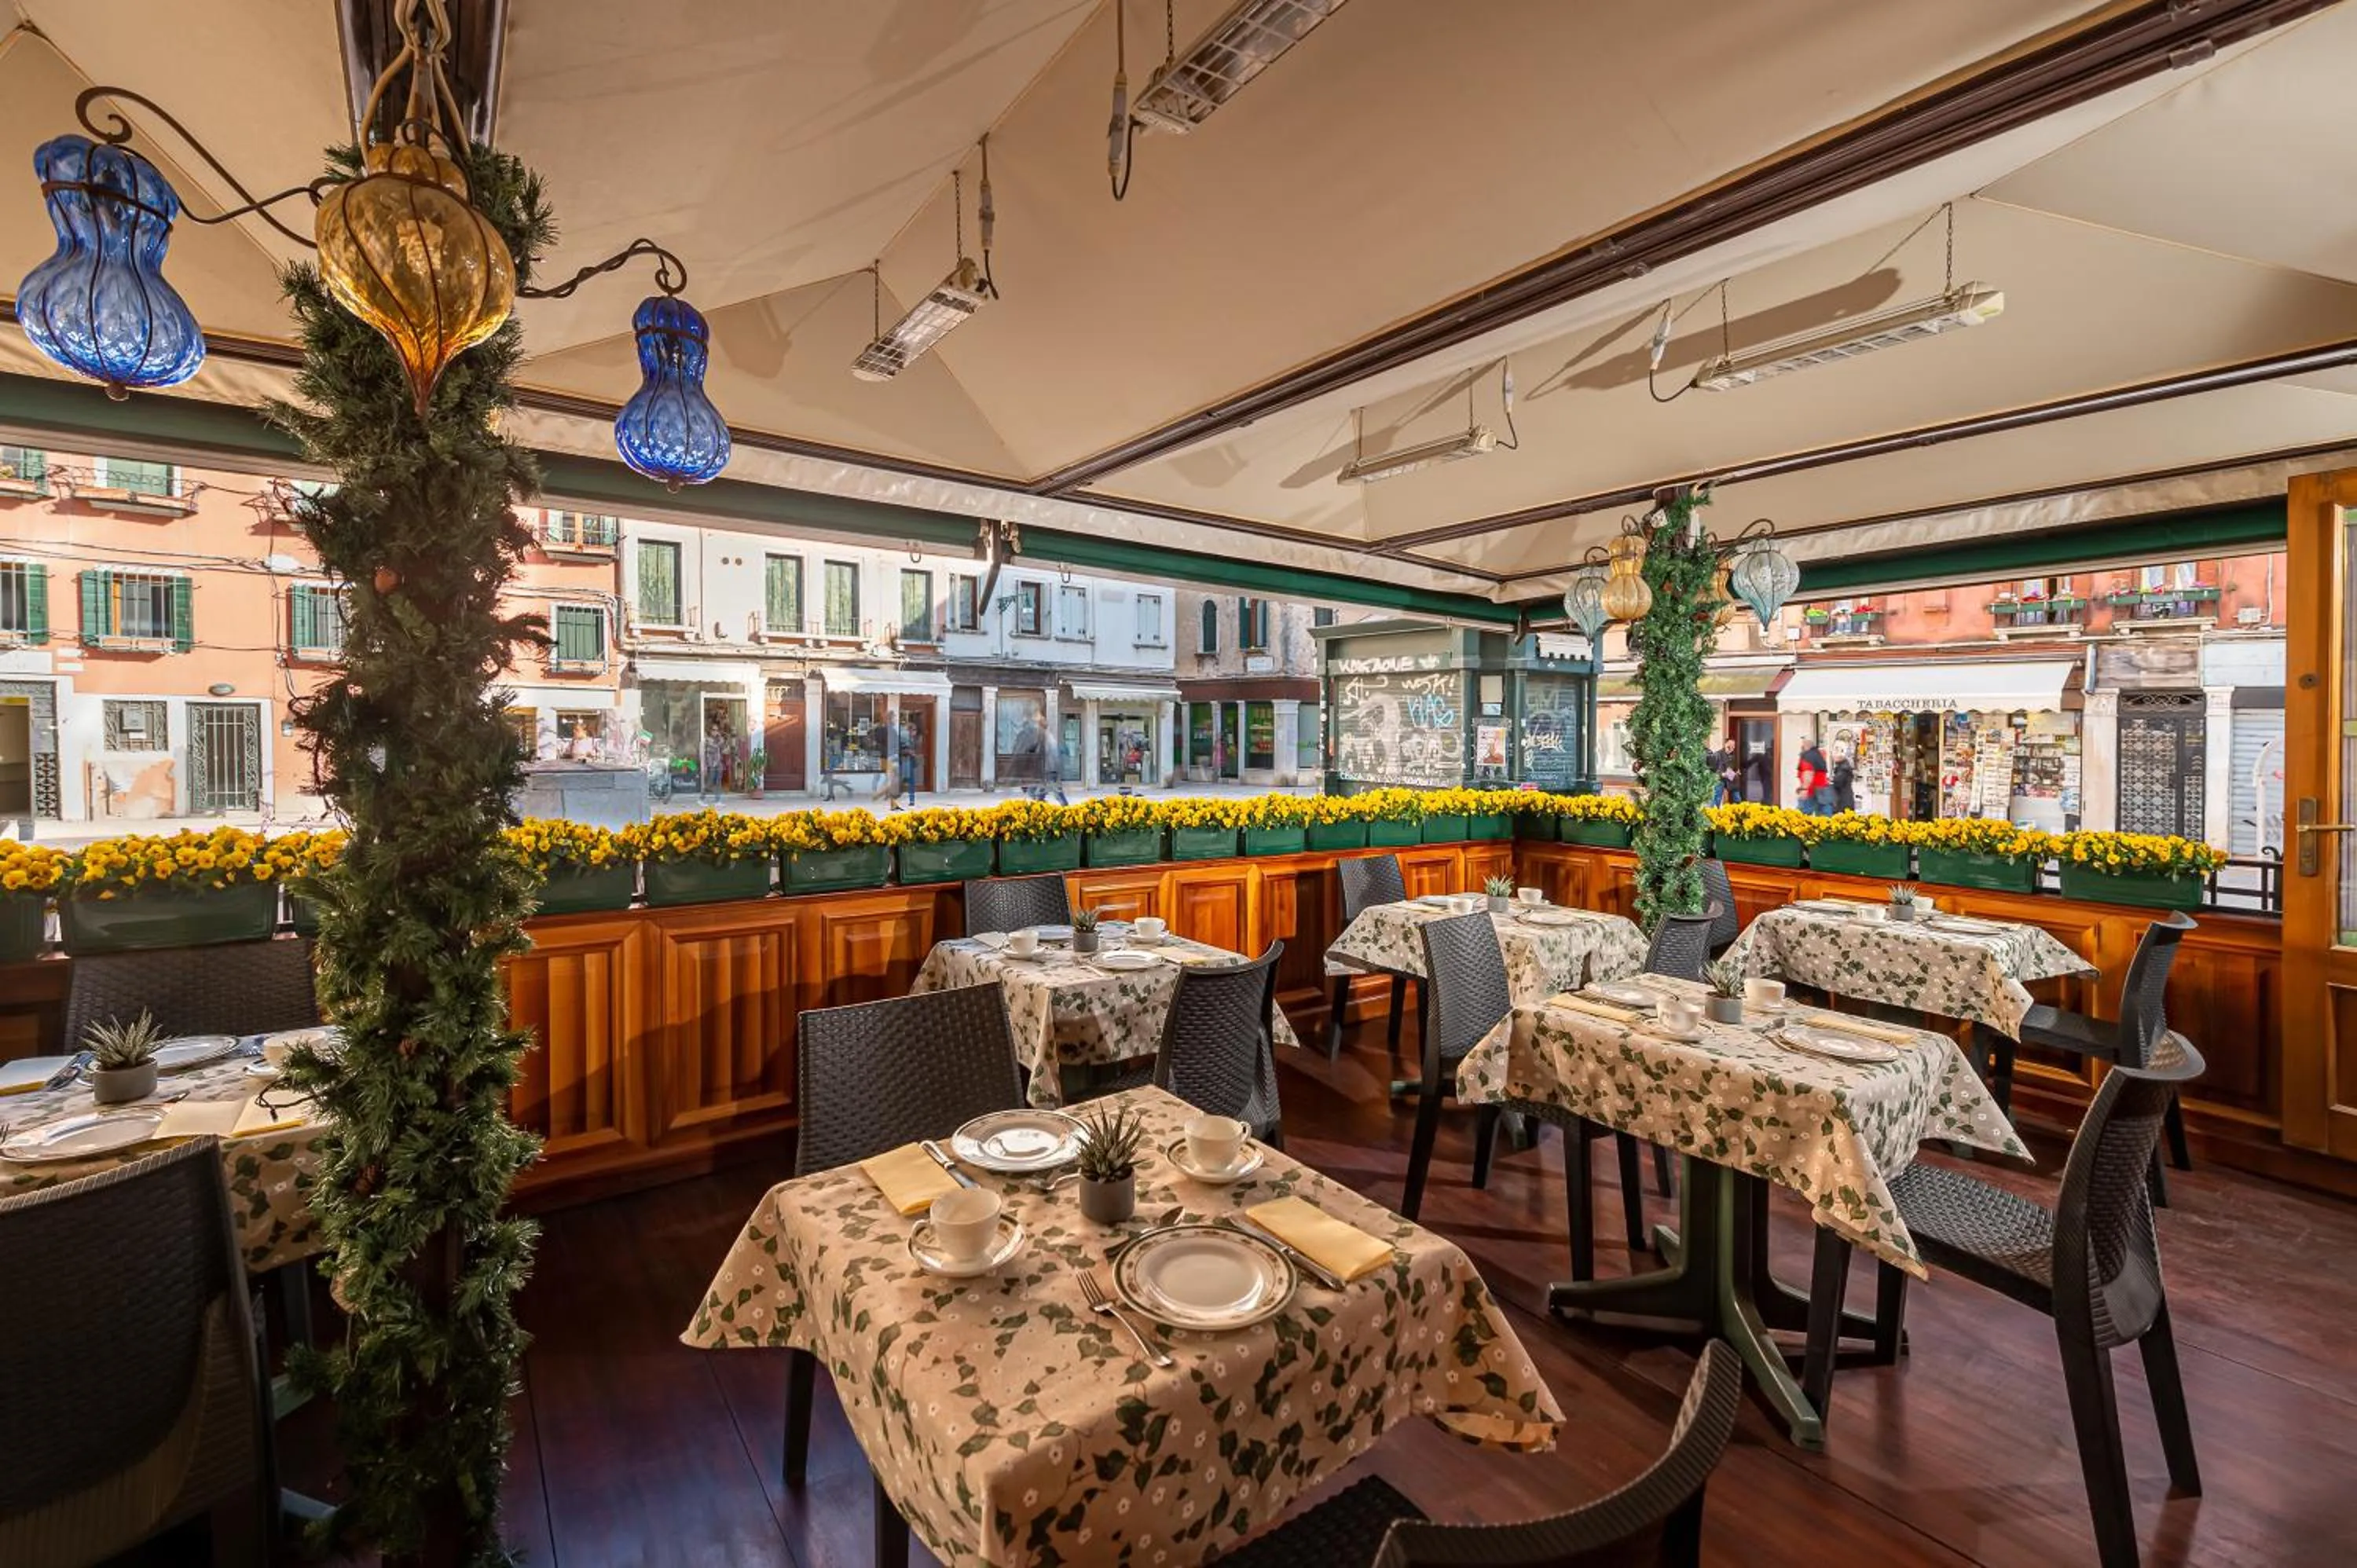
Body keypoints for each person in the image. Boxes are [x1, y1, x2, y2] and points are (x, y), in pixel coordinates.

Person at [1795, 742, 1829, 815]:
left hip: (1810, 792)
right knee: (1822, 819)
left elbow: (1808, 773)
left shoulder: (1807, 757)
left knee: (1801, 818)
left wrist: (1804, 789)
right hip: (1821, 791)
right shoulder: (1818, 756)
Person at [895, 716, 921, 809]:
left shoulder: (913, 740)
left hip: (910, 761)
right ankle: (896, 799)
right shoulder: (903, 738)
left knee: (911, 781)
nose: (915, 732)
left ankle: (912, 800)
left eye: (915, 730)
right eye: (914, 730)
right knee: (903, 780)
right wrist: (908, 752)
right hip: (904, 761)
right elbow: (899, 749)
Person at [1830, 747, 1857, 815]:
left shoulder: (1843, 769)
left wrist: (1832, 781)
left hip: (1843, 800)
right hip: (1846, 799)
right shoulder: (1844, 767)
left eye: (1834, 757)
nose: (1833, 759)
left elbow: (1838, 782)